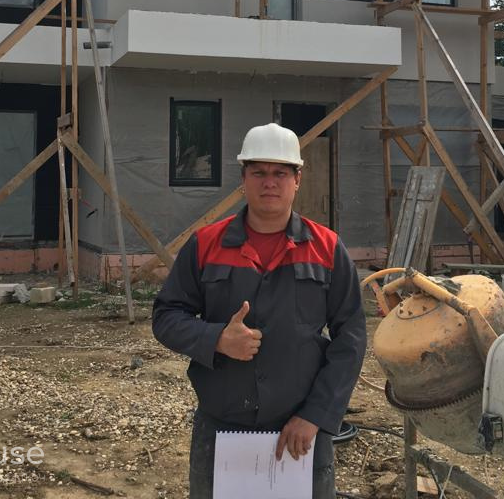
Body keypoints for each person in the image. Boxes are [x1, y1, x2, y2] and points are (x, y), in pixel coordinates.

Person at [152, 122, 367, 498]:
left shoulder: (327, 249)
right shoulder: (206, 244)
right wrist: (216, 339)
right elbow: (166, 316)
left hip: (301, 429)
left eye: (280, 173)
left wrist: (316, 415)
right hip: (221, 428)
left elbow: (351, 336)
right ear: (244, 179)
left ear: (297, 180)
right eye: (259, 172)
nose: (270, 182)